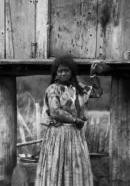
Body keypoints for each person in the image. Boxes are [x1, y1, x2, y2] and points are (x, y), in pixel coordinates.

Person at [35, 55, 103, 186]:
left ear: (72, 72)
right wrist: (75, 120)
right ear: (56, 73)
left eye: (66, 70)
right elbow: (55, 112)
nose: (63, 73)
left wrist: (93, 76)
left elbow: (97, 92)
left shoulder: (78, 88)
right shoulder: (53, 89)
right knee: (57, 165)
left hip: (75, 135)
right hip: (58, 134)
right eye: (60, 71)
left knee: (75, 166)